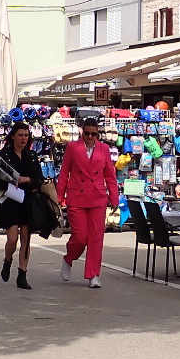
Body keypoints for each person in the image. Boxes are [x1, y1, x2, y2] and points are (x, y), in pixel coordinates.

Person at [56, 117, 118, 289]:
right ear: (82, 131)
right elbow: (64, 175)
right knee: (80, 236)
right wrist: (59, 199)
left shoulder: (104, 149)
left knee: (96, 238)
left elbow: (110, 176)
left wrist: (114, 198)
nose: (90, 137)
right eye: (87, 133)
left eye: (94, 134)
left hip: (98, 197)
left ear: (98, 133)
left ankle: (94, 275)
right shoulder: (72, 147)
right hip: (77, 198)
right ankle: (69, 258)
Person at [0, 122, 43, 290]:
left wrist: (27, 180)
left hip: (27, 200)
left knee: (26, 238)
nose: (23, 138)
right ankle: (7, 260)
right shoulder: (4, 155)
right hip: (10, 200)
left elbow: (39, 178)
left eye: (26, 135)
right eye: (20, 135)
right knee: (12, 239)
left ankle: (22, 274)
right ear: (13, 136)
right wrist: (10, 183)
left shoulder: (32, 156)